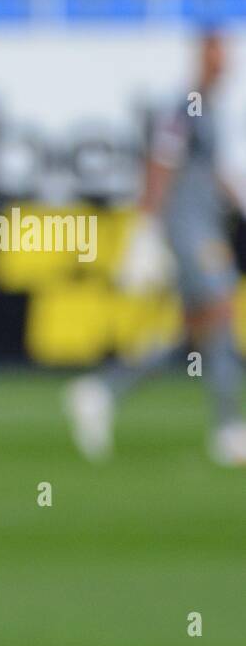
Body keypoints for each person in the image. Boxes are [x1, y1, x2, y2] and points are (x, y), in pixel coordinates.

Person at [67, 29, 246, 465]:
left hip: (206, 228)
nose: (225, 63)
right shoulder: (186, 105)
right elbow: (160, 164)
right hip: (190, 232)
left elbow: (208, 170)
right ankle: (227, 428)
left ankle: (103, 390)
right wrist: (145, 231)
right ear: (202, 56)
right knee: (220, 312)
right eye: (217, 54)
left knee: (196, 328)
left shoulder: (209, 108)